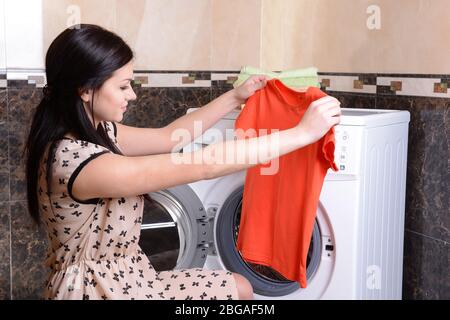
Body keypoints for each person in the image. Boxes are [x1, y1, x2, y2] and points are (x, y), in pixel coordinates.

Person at [24, 24, 341, 300]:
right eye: (122, 86)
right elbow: (203, 165)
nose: (131, 95)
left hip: (132, 280)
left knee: (240, 287)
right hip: (94, 292)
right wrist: (301, 135)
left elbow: (168, 137)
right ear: (85, 90)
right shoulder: (78, 164)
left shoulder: (99, 131)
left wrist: (234, 97)